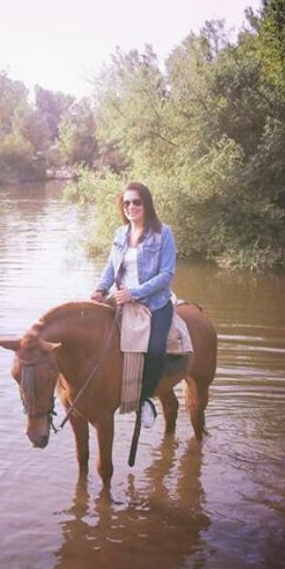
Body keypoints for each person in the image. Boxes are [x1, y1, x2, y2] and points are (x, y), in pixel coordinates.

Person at [90, 182, 176, 428]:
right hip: (120, 299)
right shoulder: (120, 234)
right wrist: (100, 289)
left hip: (155, 303)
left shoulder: (163, 233)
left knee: (156, 348)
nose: (131, 207)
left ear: (146, 204)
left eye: (136, 202)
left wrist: (134, 293)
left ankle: (145, 399)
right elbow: (110, 267)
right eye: (126, 203)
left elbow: (167, 275)